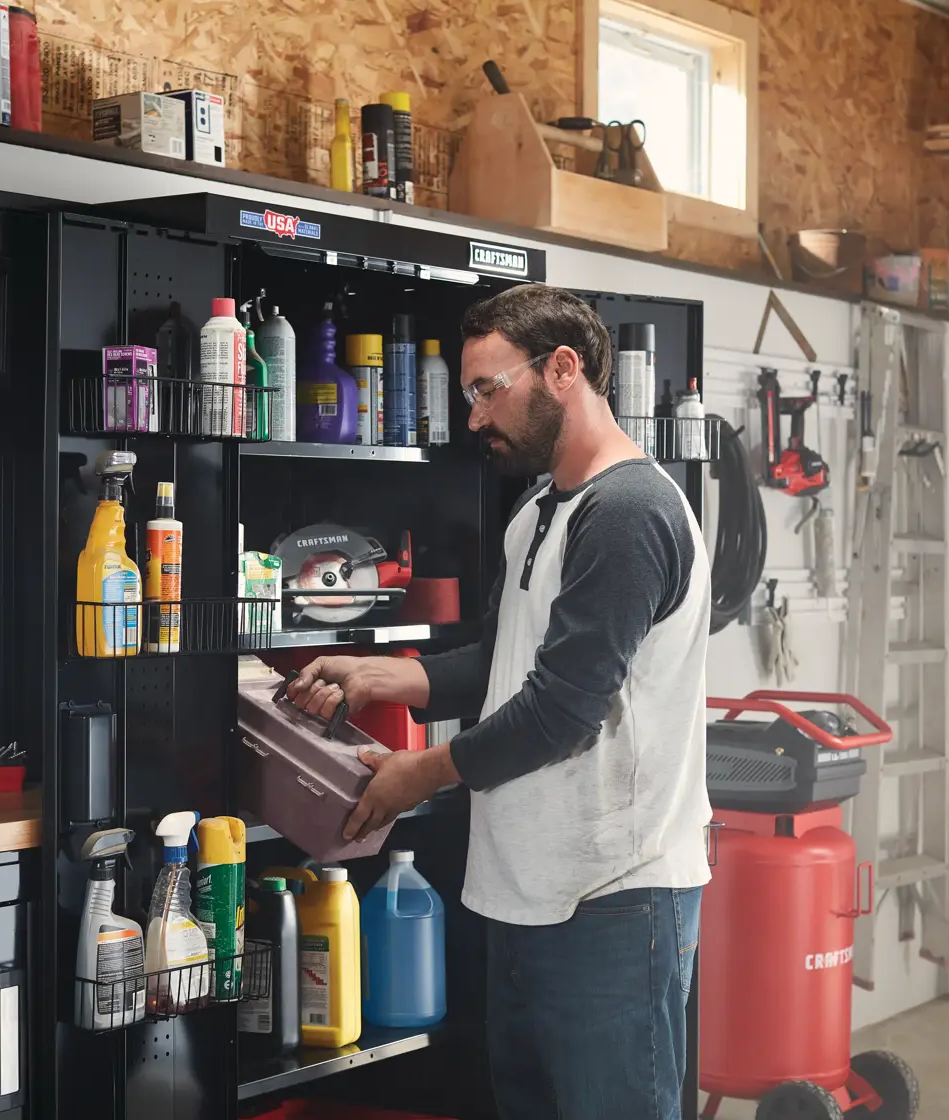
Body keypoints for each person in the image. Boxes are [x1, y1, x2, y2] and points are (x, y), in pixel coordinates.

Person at [285, 283, 711, 1120]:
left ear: (563, 370)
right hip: (523, 892)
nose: (476, 417)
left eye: (489, 390)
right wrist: (395, 676)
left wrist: (424, 772)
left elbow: (561, 707)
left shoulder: (628, 511)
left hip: (614, 902)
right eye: (469, 395)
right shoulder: (540, 512)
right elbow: (513, 656)